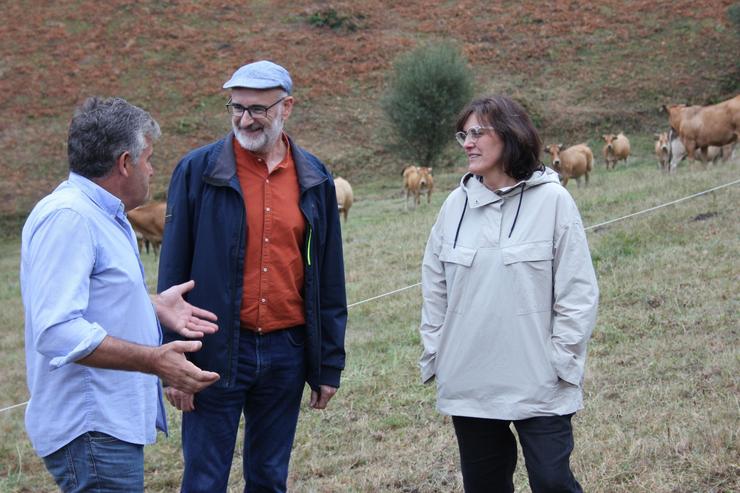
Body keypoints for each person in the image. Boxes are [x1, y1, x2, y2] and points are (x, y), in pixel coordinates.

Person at [158, 60, 347, 492]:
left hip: (286, 351)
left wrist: (328, 363)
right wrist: (175, 362)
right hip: (214, 349)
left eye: (258, 109)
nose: (245, 119)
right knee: (204, 479)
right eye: (237, 107)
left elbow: (330, 276)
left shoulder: (315, 177)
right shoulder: (196, 171)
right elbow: (171, 274)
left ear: (287, 107)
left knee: (268, 477)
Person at [20, 96, 221, 492]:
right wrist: (155, 360)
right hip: (91, 428)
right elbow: (56, 329)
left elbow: (86, 296)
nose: (151, 169)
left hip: (104, 429)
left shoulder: (100, 214)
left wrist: (150, 306)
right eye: (148, 158)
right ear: (124, 162)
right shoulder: (70, 218)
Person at [418, 95, 599, 493]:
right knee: (485, 486)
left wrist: (561, 360)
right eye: (463, 134)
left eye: (479, 132)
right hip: (470, 380)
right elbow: (434, 287)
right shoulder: (454, 206)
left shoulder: (554, 201)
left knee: (553, 482)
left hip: (539, 379)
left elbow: (578, 291)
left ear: (512, 135)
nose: (468, 142)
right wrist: (437, 353)